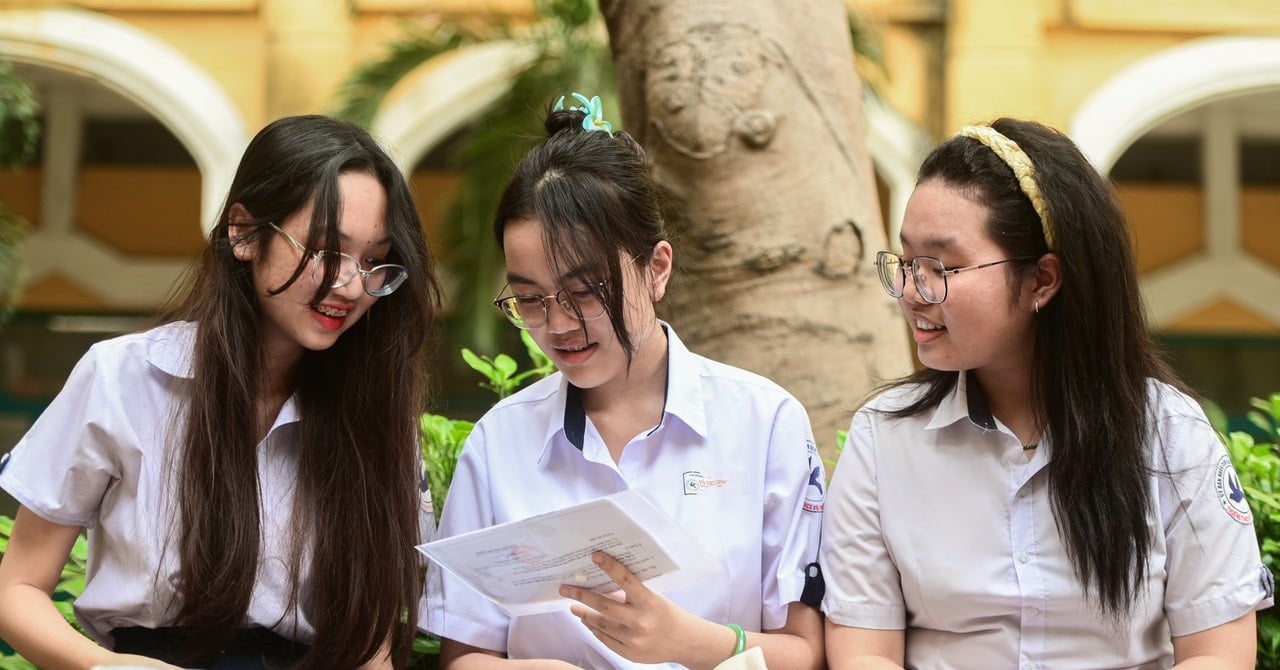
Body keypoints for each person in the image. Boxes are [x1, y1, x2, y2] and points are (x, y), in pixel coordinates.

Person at [820, 117, 1273, 669]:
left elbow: (1220, 654)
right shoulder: (885, 437)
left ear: (1043, 280)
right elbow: (863, 652)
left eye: (942, 266)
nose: (913, 292)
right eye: (908, 262)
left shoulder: (1170, 434)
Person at [0, 114, 442, 670]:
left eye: (375, 262)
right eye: (327, 251)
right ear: (244, 232)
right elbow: (16, 590)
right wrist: (108, 667)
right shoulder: (123, 378)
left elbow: (371, 645)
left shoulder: (376, 416)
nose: (351, 286)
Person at [424, 94, 826, 670]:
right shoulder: (499, 444)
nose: (558, 324)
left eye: (585, 291)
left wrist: (692, 643)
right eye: (530, 300)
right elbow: (465, 656)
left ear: (656, 268)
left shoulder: (764, 424)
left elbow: (808, 653)